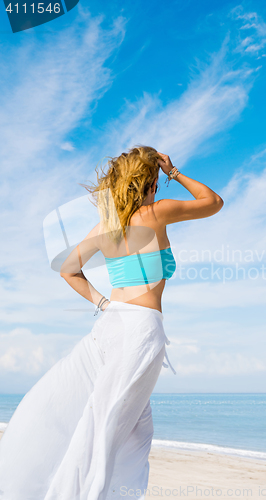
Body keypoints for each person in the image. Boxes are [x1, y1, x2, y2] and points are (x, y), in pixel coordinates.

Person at [0, 146, 223, 500]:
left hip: (111, 326)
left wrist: (103, 303)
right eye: (156, 181)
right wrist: (174, 171)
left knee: (127, 428)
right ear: (150, 181)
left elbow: (67, 269)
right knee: (106, 431)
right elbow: (212, 202)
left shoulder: (107, 225)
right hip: (140, 332)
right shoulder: (157, 212)